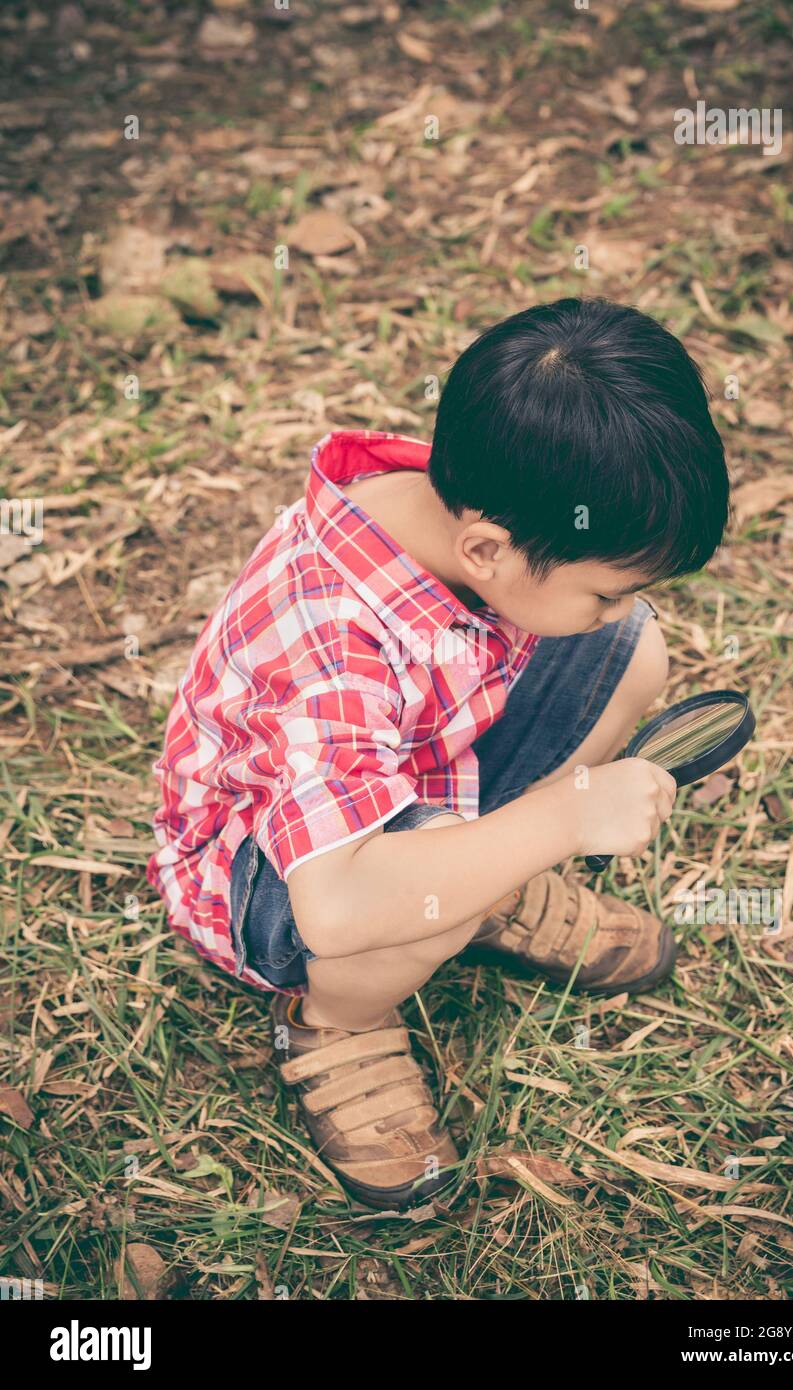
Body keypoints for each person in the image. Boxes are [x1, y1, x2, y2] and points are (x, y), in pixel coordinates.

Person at [147, 297, 730, 1210]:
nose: (620, 606)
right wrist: (563, 814)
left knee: (633, 657)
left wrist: (525, 822)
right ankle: (334, 1023)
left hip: (414, 766)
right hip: (279, 877)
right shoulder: (328, 643)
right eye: (607, 591)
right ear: (488, 549)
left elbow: (594, 635)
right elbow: (337, 905)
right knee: (425, 904)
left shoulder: (465, 503)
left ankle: (483, 879)